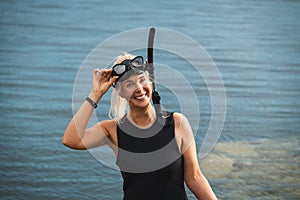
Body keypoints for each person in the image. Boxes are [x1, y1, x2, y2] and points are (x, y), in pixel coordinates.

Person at [62, 53, 217, 200]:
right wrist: (95, 94)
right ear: (121, 93)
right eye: (130, 84)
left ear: (151, 83)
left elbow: (195, 177)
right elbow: (71, 140)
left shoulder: (177, 123)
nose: (139, 88)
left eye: (142, 80)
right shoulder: (113, 130)